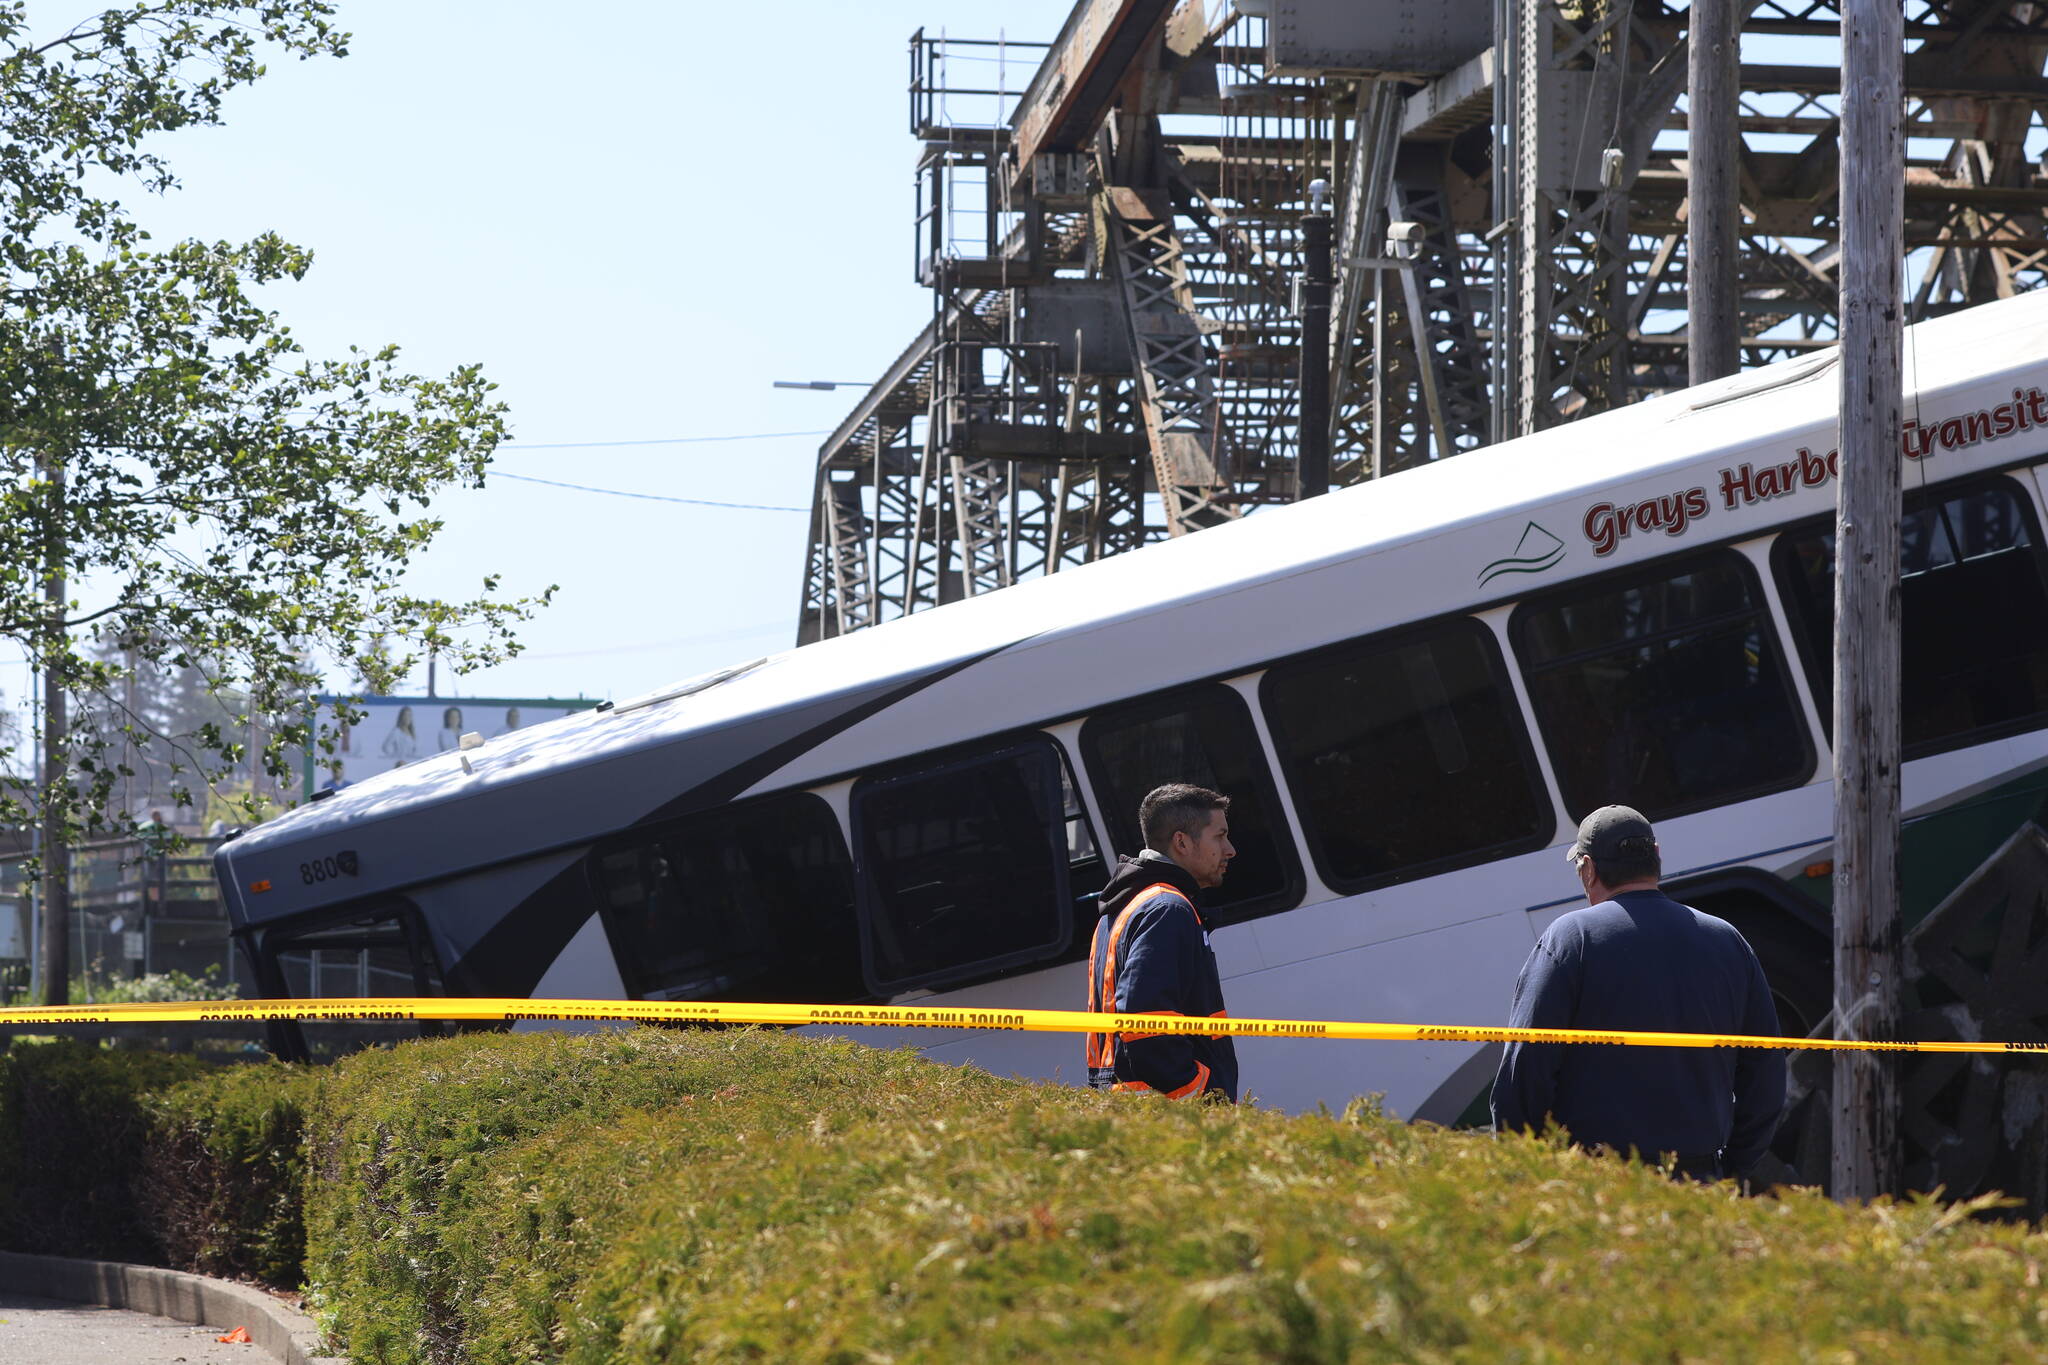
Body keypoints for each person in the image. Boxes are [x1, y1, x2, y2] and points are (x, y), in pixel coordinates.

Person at [1491, 805, 1787, 1182]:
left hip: (1598, 1183)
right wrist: (1733, 1166)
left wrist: (1522, 1171)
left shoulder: (1571, 939)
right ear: (1656, 856)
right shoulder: (1727, 940)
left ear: (1588, 869)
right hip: (1698, 1178)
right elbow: (1765, 1070)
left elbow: (1525, 1069)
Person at [1085, 783, 1239, 1101]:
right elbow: (1147, 1027)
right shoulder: (1167, 909)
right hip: (1171, 1112)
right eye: (1219, 836)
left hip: (1133, 1109)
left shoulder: (1124, 907)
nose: (1230, 850)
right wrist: (1202, 1097)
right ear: (1181, 842)